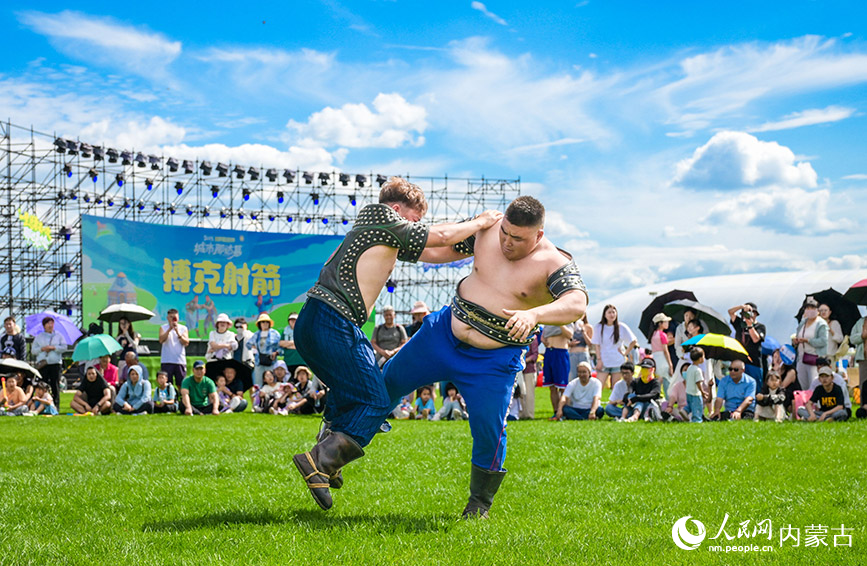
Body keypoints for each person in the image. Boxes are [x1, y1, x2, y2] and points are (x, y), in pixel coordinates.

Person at [292, 176, 503, 512]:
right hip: (331, 320)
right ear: (396, 208)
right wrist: (480, 222)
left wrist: (473, 243)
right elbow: (440, 236)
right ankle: (320, 460)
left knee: (352, 393)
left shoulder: (382, 231)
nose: (417, 226)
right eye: (415, 219)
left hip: (320, 320)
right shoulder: (381, 217)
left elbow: (436, 251)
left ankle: (327, 453)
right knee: (376, 401)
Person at [383, 195, 587, 519]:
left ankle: (479, 503)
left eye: (517, 238)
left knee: (490, 428)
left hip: (494, 358)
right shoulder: (488, 229)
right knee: (386, 381)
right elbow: (442, 248)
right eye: (505, 232)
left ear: (539, 235)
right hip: (445, 333)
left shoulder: (554, 262)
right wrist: (397, 241)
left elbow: (576, 303)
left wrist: (534, 314)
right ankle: (329, 454)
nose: (507, 242)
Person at [591, 305, 637, 390]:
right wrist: (599, 359)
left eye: (613, 312)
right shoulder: (599, 327)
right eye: (609, 312)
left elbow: (633, 341)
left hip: (617, 362)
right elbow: (597, 345)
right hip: (603, 361)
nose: (612, 314)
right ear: (604, 315)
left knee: (615, 388)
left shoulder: (621, 327)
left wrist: (625, 353)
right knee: (598, 387)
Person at [728, 302, 766, 390]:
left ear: (755, 314)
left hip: (754, 362)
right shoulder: (739, 323)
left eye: (751, 313)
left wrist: (750, 325)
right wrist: (741, 306)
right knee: (738, 388)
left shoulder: (760, 326)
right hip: (739, 361)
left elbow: (756, 339)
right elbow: (730, 312)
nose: (749, 315)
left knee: (755, 388)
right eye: (746, 313)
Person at [793, 297, 828, 390]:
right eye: (807, 308)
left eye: (812, 308)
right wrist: (796, 341)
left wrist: (808, 340)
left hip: (814, 359)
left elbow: (823, 341)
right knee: (802, 384)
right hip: (801, 358)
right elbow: (798, 334)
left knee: (814, 384)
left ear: (817, 310)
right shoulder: (803, 322)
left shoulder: (821, 324)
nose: (810, 310)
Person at [32, 316, 67, 409]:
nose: (50, 325)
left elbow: (64, 347)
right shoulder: (39, 337)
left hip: (55, 363)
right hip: (43, 364)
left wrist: (54, 348)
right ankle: (42, 405)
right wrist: (42, 349)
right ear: (44, 325)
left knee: (55, 385)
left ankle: (56, 406)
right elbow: (33, 350)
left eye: (52, 323)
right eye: (48, 323)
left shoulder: (58, 335)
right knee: (43, 385)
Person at [542, 323, 574, 419]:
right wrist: (543, 339)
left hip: (560, 353)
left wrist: (560, 324)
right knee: (552, 387)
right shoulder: (549, 320)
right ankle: (556, 412)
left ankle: (565, 411)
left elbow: (570, 335)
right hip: (549, 352)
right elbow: (543, 335)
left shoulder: (567, 320)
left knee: (562, 386)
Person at [248, 313, 281, 388]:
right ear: (259, 324)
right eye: (263, 322)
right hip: (259, 362)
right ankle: (259, 395)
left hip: (271, 361)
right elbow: (248, 344)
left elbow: (280, 347)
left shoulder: (275, 333)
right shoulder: (256, 334)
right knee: (258, 383)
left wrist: (276, 353)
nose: (265, 324)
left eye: (267, 322)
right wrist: (255, 347)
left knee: (272, 381)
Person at [159, 308, 190, 390]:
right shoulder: (163, 328)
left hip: (179, 360)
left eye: (175, 317)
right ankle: (169, 397)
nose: (173, 319)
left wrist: (178, 332)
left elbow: (186, 342)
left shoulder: (183, 328)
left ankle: (182, 397)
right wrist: (169, 329)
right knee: (167, 384)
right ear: (167, 318)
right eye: (171, 317)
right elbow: (161, 340)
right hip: (167, 360)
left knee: (181, 383)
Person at [624, 358, 662, 422]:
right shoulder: (636, 381)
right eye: (643, 368)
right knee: (610, 408)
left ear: (652, 369)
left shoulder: (655, 382)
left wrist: (637, 398)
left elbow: (653, 395)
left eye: (646, 369)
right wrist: (627, 398)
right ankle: (628, 415)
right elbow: (629, 391)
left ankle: (634, 416)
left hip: (648, 406)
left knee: (640, 401)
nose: (644, 370)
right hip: (635, 406)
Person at [650, 313, 674, 395]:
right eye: (665, 321)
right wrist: (670, 365)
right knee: (667, 382)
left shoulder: (653, 335)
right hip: (663, 360)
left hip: (656, 359)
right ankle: (668, 399)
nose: (667, 323)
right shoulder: (662, 335)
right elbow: (665, 351)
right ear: (660, 323)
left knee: (658, 381)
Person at [518, 337, 539, 420]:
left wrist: (524, 361)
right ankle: (521, 414)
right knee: (520, 392)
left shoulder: (533, 338)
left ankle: (529, 414)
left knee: (529, 393)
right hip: (519, 370)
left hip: (529, 369)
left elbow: (535, 355)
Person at [278, 313, 306, 377]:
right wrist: (295, 342)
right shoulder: (285, 331)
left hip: (301, 361)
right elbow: (281, 343)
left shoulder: (303, 331)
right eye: (291, 320)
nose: (293, 321)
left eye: (295, 320)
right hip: (289, 361)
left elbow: (304, 344)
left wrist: (288, 344)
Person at [684, 348, 707, 423]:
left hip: (688, 392)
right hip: (696, 393)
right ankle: (697, 420)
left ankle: (684, 410)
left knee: (690, 405)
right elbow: (698, 383)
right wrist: (702, 392)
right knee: (697, 407)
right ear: (700, 359)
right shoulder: (698, 370)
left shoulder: (690, 367)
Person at [568, 314, 594, 380]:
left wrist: (584, 332)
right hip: (572, 354)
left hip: (583, 353)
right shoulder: (570, 326)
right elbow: (565, 342)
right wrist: (570, 344)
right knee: (572, 377)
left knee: (586, 377)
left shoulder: (588, 327)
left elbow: (590, 344)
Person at [852, 314, 867, 419]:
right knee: (863, 384)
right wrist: (862, 336)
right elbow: (852, 339)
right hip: (863, 357)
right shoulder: (860, 322)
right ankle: (863, 409)